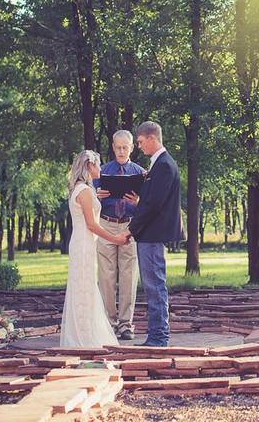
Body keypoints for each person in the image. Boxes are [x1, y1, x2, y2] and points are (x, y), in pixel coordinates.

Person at [60, 149, 130, 348]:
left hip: (83, 242)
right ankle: (84, 335)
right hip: (84, 243)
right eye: (98, 164)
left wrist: (95, 196)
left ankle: (84, 331)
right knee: (84, 287)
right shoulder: (84, 191)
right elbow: (91, 224)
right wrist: (115, 239)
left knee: (85, 286)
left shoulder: (82, 189)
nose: (100, 168)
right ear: (90, 166)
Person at [123, 121, 182, 347]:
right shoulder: (159, 165)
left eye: (139, 142)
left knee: (155, 286)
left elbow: (153, 205)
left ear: (151, 138)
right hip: (150, 234)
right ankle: (157, 336)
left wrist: (130, 230)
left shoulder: (164, 165)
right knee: (154, 285)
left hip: (152, 235)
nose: (139, 146)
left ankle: (159, 338)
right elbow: (151, 200)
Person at [94, 130, 145, 340]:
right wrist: (96, 196)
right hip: (106, 225)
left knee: (128, 276)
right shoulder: (101, 171)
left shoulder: (142, 173)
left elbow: (150, 206)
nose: (122, 151)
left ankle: (126, 324)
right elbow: (87, 204)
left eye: (126, 147)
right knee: (106, 277)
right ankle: (109, 322)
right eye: (118, 147)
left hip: (130, 227)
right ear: (113, 147)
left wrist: (138, 202)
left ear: (132, 148)